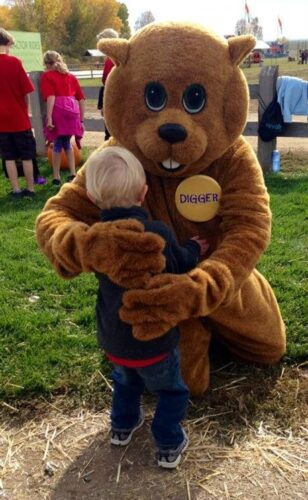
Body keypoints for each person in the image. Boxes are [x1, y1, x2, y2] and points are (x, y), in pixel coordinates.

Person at [85, 146, 208, 469]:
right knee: (172, 391)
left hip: (112, 339)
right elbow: (180, 265)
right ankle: (168, 442)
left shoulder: (94, 240)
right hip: (154, 341)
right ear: (144, 193)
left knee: (125, 382)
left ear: (93, 198)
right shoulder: (157, 234)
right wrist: (194, 247)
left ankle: (122, 427)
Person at [40, 51, 85, 186]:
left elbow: (51, 97)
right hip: (72, 111)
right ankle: (72, 173)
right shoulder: (70, 76)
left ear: (47, 64)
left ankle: (56, 177)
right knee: (67, 143)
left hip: (59, 110)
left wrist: (49, 117)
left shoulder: (48, 76)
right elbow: (81, 98)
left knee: (57, 144)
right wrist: (81, 119)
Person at [0, 28, 36, 198]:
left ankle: (15, 190)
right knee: (27, 155)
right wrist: (26, 110)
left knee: (8, 157)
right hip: (19, 118)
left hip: (1, 121)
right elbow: (26, 91)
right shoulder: (15, 62)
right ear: (6, 44)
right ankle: (30, 189)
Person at [96, 28, 118, 140]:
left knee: (111, 132)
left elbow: (108, 82)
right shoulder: (112, 59)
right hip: (111, 95)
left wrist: (105, 104)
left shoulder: (112, 61)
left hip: (112, 97)